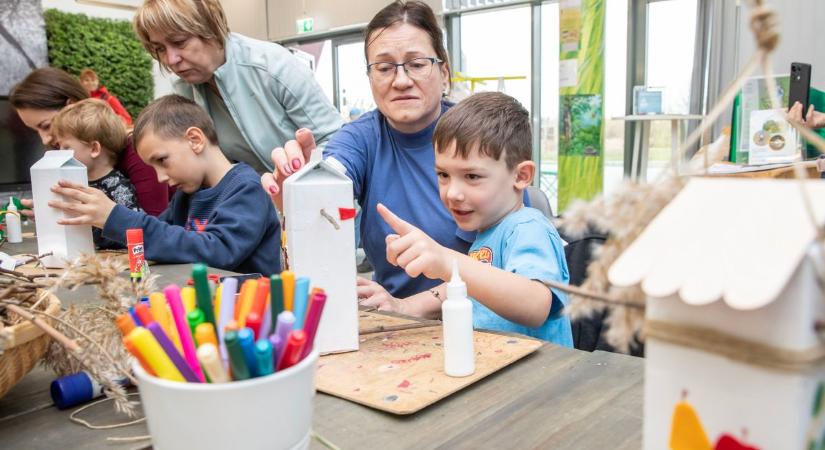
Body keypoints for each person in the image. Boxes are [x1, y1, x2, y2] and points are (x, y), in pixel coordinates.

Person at [263, 1, 534, 300]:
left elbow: (514, 271)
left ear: (444, 73)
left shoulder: (480, 133)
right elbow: (329, 178)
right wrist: (298, 193)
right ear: (369, 76)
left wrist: (415, 307)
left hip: (486, 321)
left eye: (417, 64)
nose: (401, 81)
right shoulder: (360, 139)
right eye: (384, 67)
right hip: (397, 323)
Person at [363, 92, 572, 346]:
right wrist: (402, 306)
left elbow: (536, 304)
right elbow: (472, 286)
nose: (452, 193)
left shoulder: (527, 227)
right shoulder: (489, 231)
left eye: (472, 176)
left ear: (521, 176)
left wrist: (444, 259)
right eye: (443, 175)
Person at [47, 95, 282, 275]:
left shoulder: (246, 188)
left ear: (195, 140)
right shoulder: (186, 195)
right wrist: (96, 220)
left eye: (162, 160)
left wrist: (115, 217)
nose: (160, 177)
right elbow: (155, 236)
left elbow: (219, 251)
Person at [132, 0, 343, 174]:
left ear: (211, 29)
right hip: (259, 207)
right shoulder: (183, 89)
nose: (171, 59)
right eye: (159, 49)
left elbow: (336, 140)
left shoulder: (271, 65)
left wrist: (301, 182)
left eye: (179, 42)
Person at [10, 67, 170, 216]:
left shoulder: (136, 151)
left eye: (45, 126)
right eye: (35, 131)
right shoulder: (79, 159)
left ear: (71, 105)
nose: (44, 139)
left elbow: (154, 224)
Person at [51, 99, 142, 249]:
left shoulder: (118, 187)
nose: (60, 153)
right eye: (59, 146)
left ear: (94, 149)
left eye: (66, 147)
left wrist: (95, 239)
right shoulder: (78, 183)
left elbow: (133, 232)